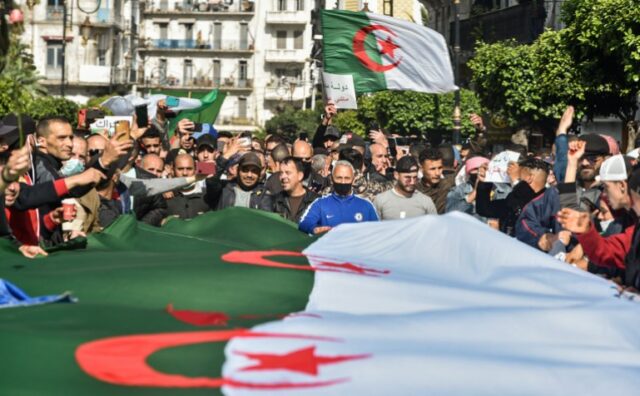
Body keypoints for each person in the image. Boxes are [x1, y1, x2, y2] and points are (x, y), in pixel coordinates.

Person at [299, 160, 379, 234]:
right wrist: (315, 229)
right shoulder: (320, 203)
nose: (343, 182)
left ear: (353, 180)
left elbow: (377, 231)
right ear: (332, 179)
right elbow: (304, 223)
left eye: (347, 178)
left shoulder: (366, 205)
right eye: (339, 178)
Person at [476, 157, 549, 236]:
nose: (510, 179)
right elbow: (484, 209)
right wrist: (485, 182)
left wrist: (516, 181)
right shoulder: (515, 196)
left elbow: (529, 205)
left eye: (519, 176)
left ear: (529, 178)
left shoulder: (547, 201)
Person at [205, 139, 273, 211]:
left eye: (254, 171)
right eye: (245, 170)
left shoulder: (264, 194)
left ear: (259, 174)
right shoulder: (224, 189)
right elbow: (211, 178)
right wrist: (227, 155)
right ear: (238, 170)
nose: (249, 175)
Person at [373, 156, 437, 220]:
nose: (412, 182)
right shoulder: (381, 200)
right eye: (407, 178)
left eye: (415, 178)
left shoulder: (426, 201)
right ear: (396, 175)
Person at [273, 157, 319, 223]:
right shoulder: (275, 201)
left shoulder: (315, 201)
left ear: (300, 176)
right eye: (281, 173)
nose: (283, 177)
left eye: (288, 173)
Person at [165, 154, 209, 219]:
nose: (185, 173)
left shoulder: (208, 195)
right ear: (172, 170)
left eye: (189, 169)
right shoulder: (164, 197)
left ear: (195, 169)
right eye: (180, 169)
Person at [417, 149, 455, 214]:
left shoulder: (447, 187)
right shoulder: (415, 189)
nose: (437, 173)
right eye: (432, 169)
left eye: (440, 168)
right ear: (421, 169)